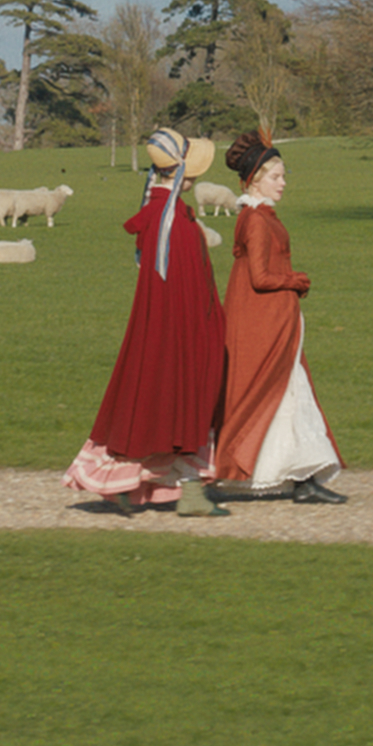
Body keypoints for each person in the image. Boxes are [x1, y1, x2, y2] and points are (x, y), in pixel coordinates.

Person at [60, 127, 232, 517]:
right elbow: (183, 288)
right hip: (177, 331)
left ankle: (146, 489)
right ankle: (170, 491)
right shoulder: (170, 220)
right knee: (173, 400)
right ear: (183, 172)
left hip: (170, 329)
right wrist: (203, 331)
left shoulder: (165, 213)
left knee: (161, 401)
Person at [211, 127, 346, 503]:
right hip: (262, 320)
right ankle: (288, 478)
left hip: (273, 319)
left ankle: (301, 477)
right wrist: (296, 280)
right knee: (276, 390)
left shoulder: (262, 216)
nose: (283, 183)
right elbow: (260, 276)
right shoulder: (255, 220)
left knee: (290, 389)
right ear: (255, 181)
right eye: (276, 176)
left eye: (283, 176)